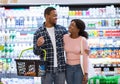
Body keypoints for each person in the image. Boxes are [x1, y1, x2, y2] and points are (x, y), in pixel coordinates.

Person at [33, 7, 68, 84]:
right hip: (45, 69)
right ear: (47, 16)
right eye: (54, 15)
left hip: (60, 68)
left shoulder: (62, 30)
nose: (56, 17)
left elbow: (70, 43)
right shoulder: (38, 32)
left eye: (56, 15)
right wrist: (38, 45)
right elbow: (35, 52)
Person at [63, 19, 89, 84]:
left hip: (79, 68)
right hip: (68, 67)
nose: (69, 26)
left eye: (72, 25)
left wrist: (86, 73)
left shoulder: (83, 40)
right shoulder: (65, 37)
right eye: (70, 24)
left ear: (78, 29)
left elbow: (85, 58)